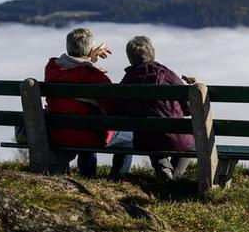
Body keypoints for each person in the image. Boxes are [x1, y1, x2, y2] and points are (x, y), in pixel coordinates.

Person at [44, 27, 132, 178]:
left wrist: (89, 58)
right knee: (129, 136)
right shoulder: (96, 77)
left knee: (83, 117)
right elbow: (113, 110)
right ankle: (118, 177)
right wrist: (91, 62)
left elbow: (74, 68)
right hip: (89, 136)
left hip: (59, 133)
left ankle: (87, 175)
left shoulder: (52, 69)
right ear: (90, 50)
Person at [119, 36, 194, 180]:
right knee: (189, 143)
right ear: (152, 52)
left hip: (145, 140)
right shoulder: (167, 74)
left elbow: (120, 109)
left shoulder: (128, 79)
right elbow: (189, 110)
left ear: (130, 57)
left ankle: (163, 166)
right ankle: (175, 178)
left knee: (150, 135)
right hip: (177, 139)